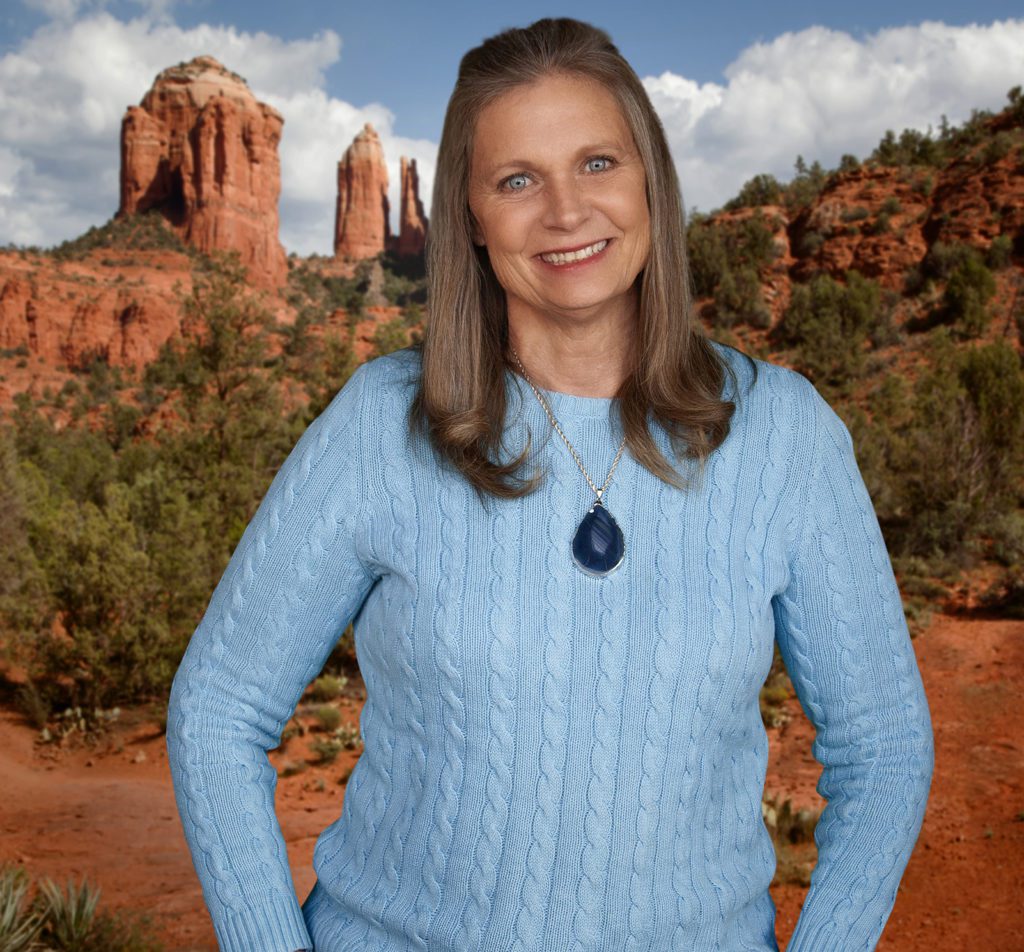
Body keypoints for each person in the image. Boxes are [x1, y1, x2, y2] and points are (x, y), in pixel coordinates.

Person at [166, 16, 934, 952]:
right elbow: (219, 707)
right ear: (471, 219)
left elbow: (884, 745)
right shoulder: (381, 425)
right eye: (517, 180)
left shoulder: (783, 436)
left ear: (653, 180)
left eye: (599, 163)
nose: (566, 212)